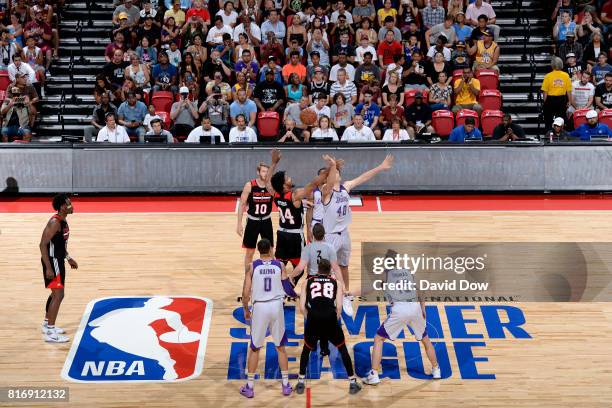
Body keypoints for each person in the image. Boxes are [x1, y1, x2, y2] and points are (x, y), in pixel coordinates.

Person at [317, 154, 394, 295]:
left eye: (338, 172)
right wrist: (333, 165)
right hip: (330, 236)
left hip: (344, 234)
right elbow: (328, 184)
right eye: (334, 173)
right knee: (326, 268)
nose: (337, 175)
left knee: (344, 266)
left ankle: (346, 293)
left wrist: (381, 167)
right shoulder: (326, 191)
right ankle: (324, 294)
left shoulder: (345, 187)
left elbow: (363, 177)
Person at [362, 250, 441, 385]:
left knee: (378, 338)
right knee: (426, 340)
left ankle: (374, 374)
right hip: (415, 307)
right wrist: (423, 308)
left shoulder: (386, 275)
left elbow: (369, 288)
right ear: (397, 261)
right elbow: (421, 290)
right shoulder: (408, 272)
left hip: (400, 310)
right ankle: (436, 369)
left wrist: (350, 293)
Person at [240, 238, 298, 398]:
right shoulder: (279, 265)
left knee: (255, 347)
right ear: (271, 249)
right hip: (276, 306)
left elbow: (245, 293)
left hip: (260, 307)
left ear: (258, 250)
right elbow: (287, 288)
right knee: (280, 346)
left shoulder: (252, 267)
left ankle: (250, 387)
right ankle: (286, 385)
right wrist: (297, 295)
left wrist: (246, 309)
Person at [295, 259, 361, 395]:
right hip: (330, 317)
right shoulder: (336, 282)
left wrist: (310, 317)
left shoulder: (307, 282)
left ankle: (301, 381)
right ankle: (352, 382)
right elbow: (339, 306)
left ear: (317, 269)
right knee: (342, 348)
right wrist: (333, 319)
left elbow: (301, 306)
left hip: (313, 317)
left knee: (306, 349)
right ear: (330, 270)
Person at [265, 149, 330, 269]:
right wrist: (329, 168)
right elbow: (314, 184)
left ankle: (281, 285)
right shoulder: (295, 195)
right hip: (295, 235)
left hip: (281, 234)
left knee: (279, 265)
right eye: (287, 178)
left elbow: (267, 182)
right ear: (284, 185)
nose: (290, 178)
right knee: (299, 267)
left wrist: (273, 163)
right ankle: (292, 283)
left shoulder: (275, 194)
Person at [39, 194, 78, 343]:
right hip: (53, 262)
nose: (71, 206)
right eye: (69, 204)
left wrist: (68, 258)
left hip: (58, 260)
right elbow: (42, 244)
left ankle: (47, 324)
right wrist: (49, 268)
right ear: (62, 207)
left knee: (55, 294)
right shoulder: (55, 222)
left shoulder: (63, 221)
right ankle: (50, 331)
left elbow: (60, 245)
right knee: (58, 295)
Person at [237, 163, 274, 272]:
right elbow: (242, 204)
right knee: (250, 252)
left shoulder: (271, 186)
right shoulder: (250, 185)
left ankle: (271, 274)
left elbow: (283, 197)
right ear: (258, 172)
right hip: (253, 221)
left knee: (270, 251)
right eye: (263, 171)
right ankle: (248, 276)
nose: (265, 173)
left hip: (266, 220)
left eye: (267, 171)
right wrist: (239, 224)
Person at [541, 56, 572, 131]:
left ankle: (548, 134)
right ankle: (560, 135)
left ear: (552, 65)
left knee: (548, 119)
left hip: (550, 99)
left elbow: (545, 91)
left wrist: (545, 102)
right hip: (562, 99)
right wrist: (570, 101)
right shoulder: (566, 75)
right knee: (560, 119)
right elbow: (569, 90)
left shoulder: (548, 76)